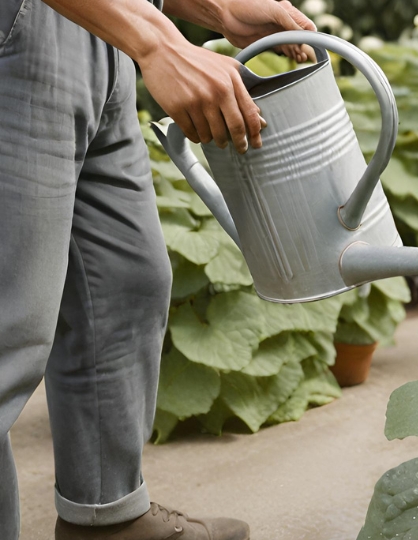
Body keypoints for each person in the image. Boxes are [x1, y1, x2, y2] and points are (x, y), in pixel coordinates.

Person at [0, 0, 316, 538]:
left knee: (124, 282)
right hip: (20, 31)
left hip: (106, 34)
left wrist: (219, 8)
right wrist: (157, 42)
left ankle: (105, 519)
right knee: (11, 328)